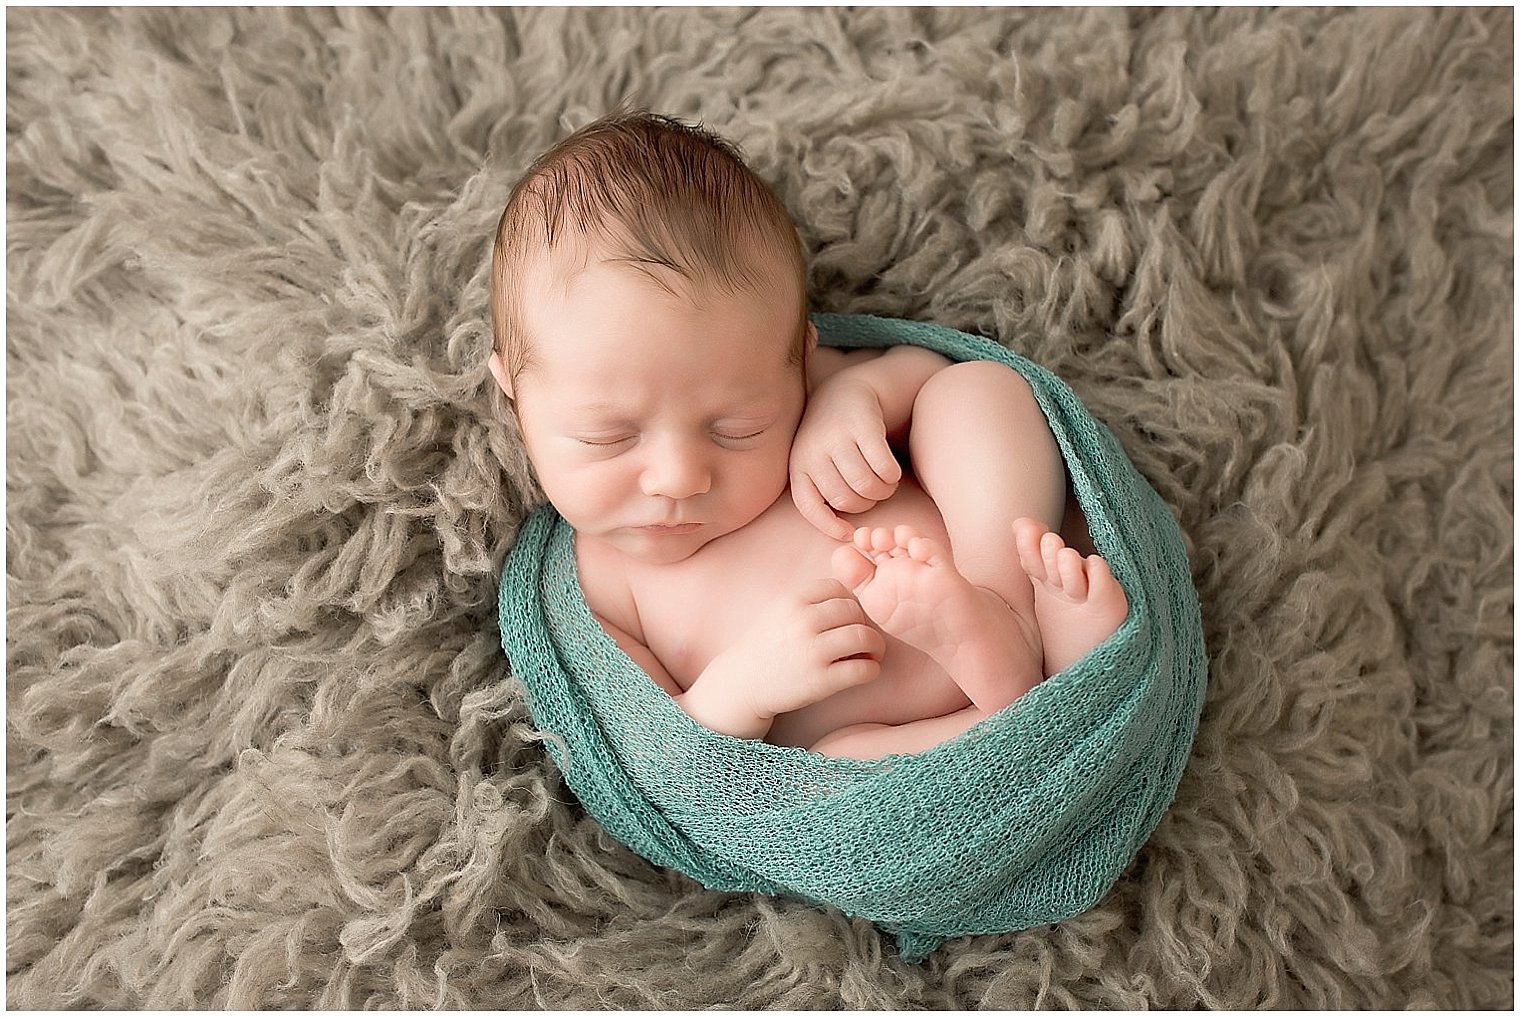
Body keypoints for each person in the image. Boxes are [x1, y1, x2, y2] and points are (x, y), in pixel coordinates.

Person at [488, 110, 1128, 759]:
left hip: (975, 563)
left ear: (796, 357)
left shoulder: (800, 384)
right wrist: (739, 690)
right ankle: (1023, 706)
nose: (680, 476)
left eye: (738, 428)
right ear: (514, 394)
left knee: (975, 391)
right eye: (609, 436)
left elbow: (922, 369)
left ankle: (1010, 607)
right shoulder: (592, 587)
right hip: (898, 737)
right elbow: (658, 756)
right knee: (838, 763)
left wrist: (860, 395)